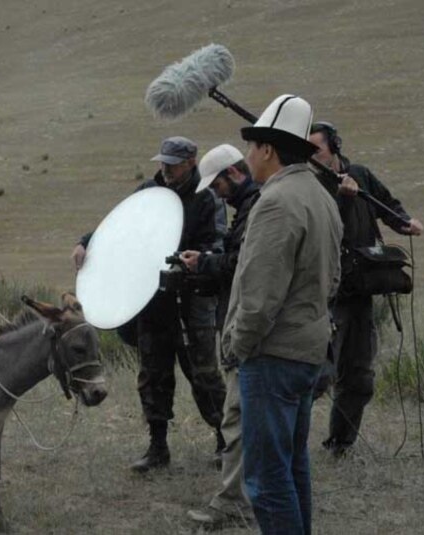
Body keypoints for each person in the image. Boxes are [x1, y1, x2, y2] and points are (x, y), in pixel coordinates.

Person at [221, 95, 343, 534]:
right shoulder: (321, 197)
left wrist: (238, 346)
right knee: (292, 467)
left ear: (268, 150)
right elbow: (333, 280)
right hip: (307, 351)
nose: (248, 155)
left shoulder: (275, 202)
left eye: (251, 146)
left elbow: (259, 296)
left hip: (272, 356)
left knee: (267, 479)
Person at [72, 136, 227, 472]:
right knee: (152, 375)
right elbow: (117, 229)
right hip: (151, 301)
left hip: (192, 302)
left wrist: (196, 261)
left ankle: (225, 441)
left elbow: (217, 245)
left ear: (191, 162)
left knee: (203, 374)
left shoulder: (207, 198)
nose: (166, 169)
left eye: (173, 163)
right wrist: (85, 243)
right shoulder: (148, 191)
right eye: (163, 162)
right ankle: (158, 448)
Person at [309, 121, 424, 457]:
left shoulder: (360, 174)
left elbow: (386, 203)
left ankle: (340, 444)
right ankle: (284, 440)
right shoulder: (312, 187)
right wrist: (343, 199)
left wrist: (405, 223)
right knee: (317, 375)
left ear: (335, 146)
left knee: (359, 375)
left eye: (317, 148)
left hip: (359, 292)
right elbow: (326, 229)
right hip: (326, 294)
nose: (312, 155)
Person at [179, 144, 260, 529]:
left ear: (234, 173)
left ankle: (234, 502)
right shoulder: (250, 207)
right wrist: (209, 261)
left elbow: (244, 266)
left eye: (218, 185)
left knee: (237, 417)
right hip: (246, 322)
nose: (217, 194)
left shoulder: (257, 207)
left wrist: (206, 263)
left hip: (247, 327)